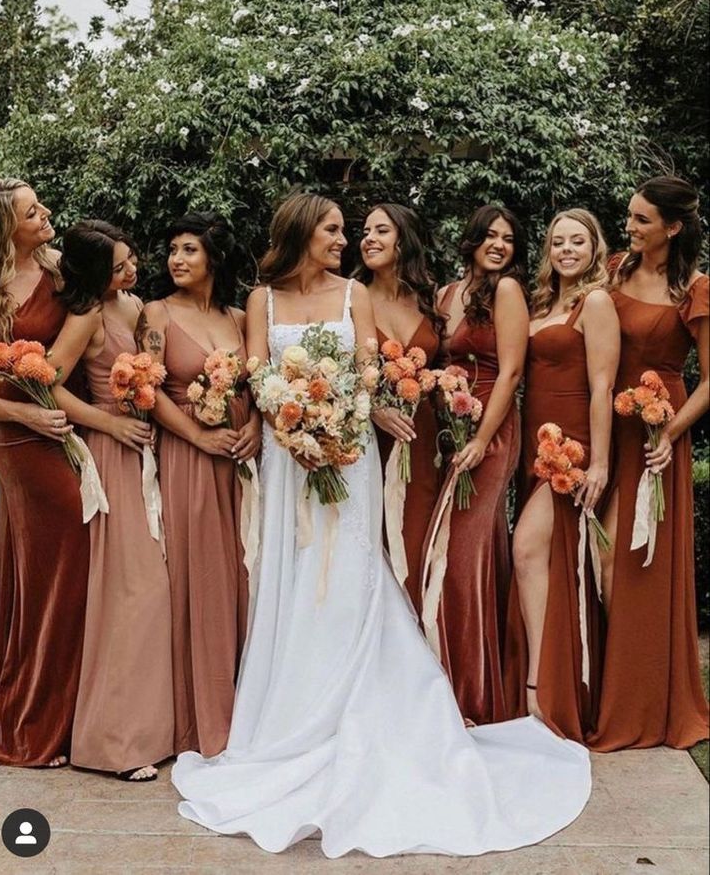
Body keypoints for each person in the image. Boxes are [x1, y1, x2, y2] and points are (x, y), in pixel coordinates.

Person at [171, 192, 590, 859]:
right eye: (334, 229)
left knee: (352, 574)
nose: (343, 240)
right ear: (304, 232)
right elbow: (257, 372)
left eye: (347, 230)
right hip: (288, 456)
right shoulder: (262, 300)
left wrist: (340, 422)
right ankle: (289, 713)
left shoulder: (352, 296)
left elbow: (367, 373)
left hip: (348, 452)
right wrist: (287, 423)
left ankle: (367, 702)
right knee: (293, 572)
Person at [50, 220, 174, 781]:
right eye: (119, 266)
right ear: (94, 274)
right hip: (114, 451)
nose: (131, 270)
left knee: (157, 592)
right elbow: (47, 382)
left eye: (131, 260)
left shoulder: (135, 305)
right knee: (132, 591)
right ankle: (115, 743)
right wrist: (109, 423)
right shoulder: (88, 317)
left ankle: (156, 729)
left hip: (151, 449)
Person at [589, 176, 709, 751]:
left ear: (673, 227)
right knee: (596, 555)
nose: (629, 227)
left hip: (658, 431)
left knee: (630, 563)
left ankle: (640, 698)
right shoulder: (612, 270)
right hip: (606, 423)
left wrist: (671, 431)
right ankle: (601, 687)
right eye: (630, 216)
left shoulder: (695, 289)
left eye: (641, 219)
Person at [137, 212, 260, 757]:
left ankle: (247, 703)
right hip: (189, 456)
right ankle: (198, 717)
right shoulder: (155, 314)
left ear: (214, 257)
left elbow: (260, 384)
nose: (176, 260)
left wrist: (255, 427)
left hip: (240, 459)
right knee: (200, 576)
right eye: (173, 250)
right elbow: (146, 389)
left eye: (189, 249)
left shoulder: (239, 316)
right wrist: (195, 436)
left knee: (242, 573)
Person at [0, 177, 89, 766]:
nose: (45, 213)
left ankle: (76, 712)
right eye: (30, 210)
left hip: (64, 419)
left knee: (54, 562)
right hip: (18, 432)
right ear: (2, 226)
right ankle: (36, 724)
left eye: (41, 202)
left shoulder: (62, 269)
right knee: (61, 557)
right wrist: (23, 412)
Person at [503, 209, 619, 742]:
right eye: (557, 242)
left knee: (527, 547)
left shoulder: (595, 302)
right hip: (533, 444)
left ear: (595, 248)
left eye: (577, 241)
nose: (566, 250)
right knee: (545, 560)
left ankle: (538, 688)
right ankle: (556, 682)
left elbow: (602, 386)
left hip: (570, 447)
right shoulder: (544, 304)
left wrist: (598, 461)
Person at [424, 205, 529, 724]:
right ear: (471, 239)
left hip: (490, 429)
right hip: (449, 430)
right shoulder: (447, 294)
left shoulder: (507, 292)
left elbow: (511, 372)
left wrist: (482, 440)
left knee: (463, 555)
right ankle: (448, 679)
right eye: (490, 235)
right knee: (451, 550)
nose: (499, 245)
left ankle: (470, 695)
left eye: (509, 239)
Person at [359, 203, 443, 610]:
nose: (368, 239)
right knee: (374, 538)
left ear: (403, 241)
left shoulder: (430, 300)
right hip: (368, 441)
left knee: (417, 534)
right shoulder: (351, 298)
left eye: (381, 231)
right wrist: (374, 407)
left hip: (422, 439)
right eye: (365, 231)